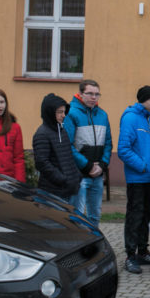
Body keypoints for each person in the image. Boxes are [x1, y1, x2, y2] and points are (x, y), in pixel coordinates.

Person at [118, 85, 150, 274]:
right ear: (143, 100)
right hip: (137, 178)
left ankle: (143, 251)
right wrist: (144, 167)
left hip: (148, 178)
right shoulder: (130, 117)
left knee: (146, 215)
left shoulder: (148, 119)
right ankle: (130, 255)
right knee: (135, 217)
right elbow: (124, 150)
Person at [63, 79, 112, 227]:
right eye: (90, 93)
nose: (93, 97)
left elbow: (108, 143)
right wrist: (88, 166)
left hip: (97, 174)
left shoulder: (102, 115)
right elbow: (68, 145)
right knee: (76, 215)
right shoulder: (71, 113)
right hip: (80, 174)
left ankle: (93, 246)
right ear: (80, 94)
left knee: (95, 215)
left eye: (97, 94)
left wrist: (102, 165)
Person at [33, 94, 81, 202]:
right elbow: (42, 163)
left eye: (64, 112)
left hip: (68, 190)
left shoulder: (62, 131)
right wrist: (62, 179)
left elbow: (68, 157)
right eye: (59, 112)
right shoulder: (42, 134)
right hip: (52, 193)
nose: (63, 115)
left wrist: (76, 175)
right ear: (50, 112)